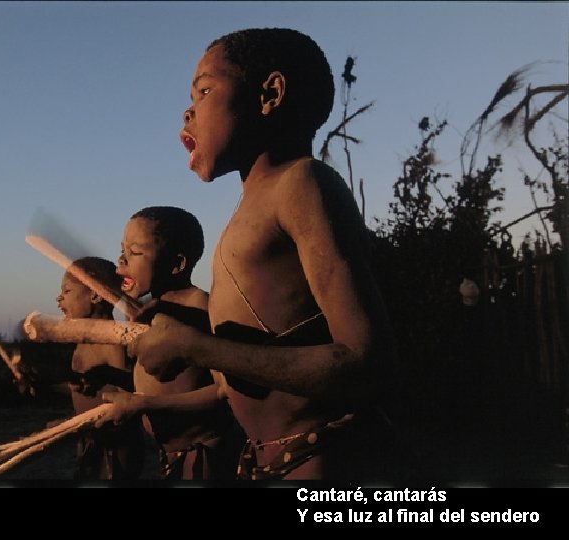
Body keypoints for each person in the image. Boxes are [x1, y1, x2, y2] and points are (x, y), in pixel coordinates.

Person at [128, 28, 415, 482]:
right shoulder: (246, 214)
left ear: (269, 94)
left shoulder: (301, 183)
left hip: (324, 462)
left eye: (204, 90)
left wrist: (196, 346)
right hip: (272, 463)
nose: (188, 109)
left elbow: (367, 362)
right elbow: (233, 384)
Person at [94, 206, 244, 481]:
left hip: (205, 455)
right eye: (122, 249)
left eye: (135, 252)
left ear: (177, 264)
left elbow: (225, 393)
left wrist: (144, 405)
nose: (122, 259)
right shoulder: (149, 312)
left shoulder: (200, 308)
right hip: (170, 455)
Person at [55, 256, 145, 481]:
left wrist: (105, 375)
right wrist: (45, 385)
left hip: (116, 446)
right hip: (89, 441)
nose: (58, 298)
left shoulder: (113, 340)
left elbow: (130, 393)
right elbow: (85, 389)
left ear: (95, 295)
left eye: (66, 291)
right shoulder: (82, 341)